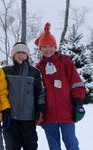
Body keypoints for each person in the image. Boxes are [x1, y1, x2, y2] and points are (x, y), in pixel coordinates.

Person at [35, 22, 86, 150]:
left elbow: (76, 83)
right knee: (54, 146)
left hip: (67, 113)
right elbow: (37, 91)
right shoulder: (38, 68)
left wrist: (78, 103)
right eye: (44, 46)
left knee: (71, 143)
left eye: (51, 46)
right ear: (40, 49)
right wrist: (39, 112)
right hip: (49, 116)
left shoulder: (65, 62)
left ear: (55, 46)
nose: (48, 49)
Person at [3, 42, 46, 150]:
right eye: (18, 52)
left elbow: (40, 93)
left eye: (23, 53)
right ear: (13, 55)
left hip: (28, 119)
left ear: (27, 55)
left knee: (30, 146)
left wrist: (40, 110)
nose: (21, 55)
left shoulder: (34, 72)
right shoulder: (5, 71)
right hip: (10, 119)